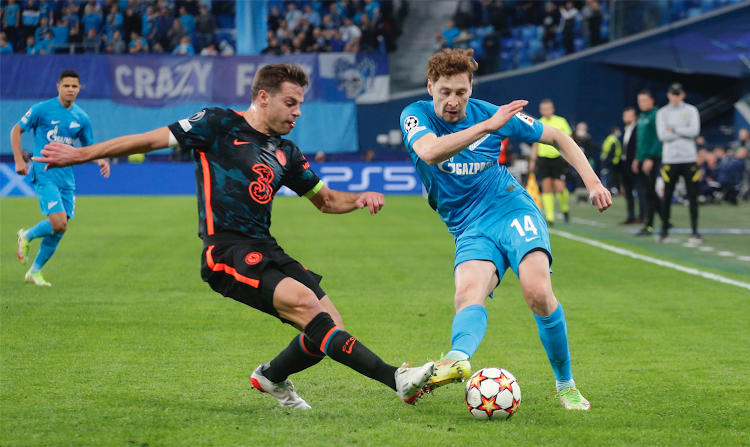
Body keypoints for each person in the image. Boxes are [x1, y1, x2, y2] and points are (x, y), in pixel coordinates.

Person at [35, 63, 435, 409]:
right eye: (290, 103)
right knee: (308, 309)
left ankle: (271, 377)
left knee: (330, 326)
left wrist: (359, 198)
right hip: (224, 249)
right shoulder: (217, 123)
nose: (298, 112)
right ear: (263, 97)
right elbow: (148, 139)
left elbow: (326, 201)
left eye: (300, 105)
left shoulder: (286, 153)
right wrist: (83, 154)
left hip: (265, 246)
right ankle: (396, 379)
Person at [399, 48, 611, 410]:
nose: (452, 101)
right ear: (430, 86)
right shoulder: (415, 116)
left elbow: (559, 137)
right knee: (467, 292)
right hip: (468, 225)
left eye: (461, 92)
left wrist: (592, 182)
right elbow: (430, 152)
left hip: (510, 207)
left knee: (538, 292)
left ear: (471, 89)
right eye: (445, 92)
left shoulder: (490, 114)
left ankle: (566, 384)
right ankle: (456, 360)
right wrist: (487, 127)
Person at [12, 70, 110, 287]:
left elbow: (89, 148)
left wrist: (101, 160)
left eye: (74, 87)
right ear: (58, 87)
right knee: (58, 221)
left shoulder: (81, 118)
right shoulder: (42, 109)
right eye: (66, 86)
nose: (70, 90)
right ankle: (26, 235)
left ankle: (34, 272)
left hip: (67, 177)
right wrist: (19, 160)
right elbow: (16, 130)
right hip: (45, 173)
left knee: (60, 228)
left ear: (79, 89)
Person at [655, 83, 703, 243]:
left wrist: (673, 129)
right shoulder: (662, 113)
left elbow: (694, 131)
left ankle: (695, 231)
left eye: (678, 94)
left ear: (682, 95)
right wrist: (683, 130)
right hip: (670, 159)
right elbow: (662, 136)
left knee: (693, 194)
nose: (675, 97)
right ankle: (664, 230)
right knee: (667, 195)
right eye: (672, 94)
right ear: (669, 95)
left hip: (689, 158)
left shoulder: (691, 110)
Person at [529, 98, 573, 225]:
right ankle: (550, 218)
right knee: (546, 187)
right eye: (544, 109)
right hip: (543, 160)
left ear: (552, 109)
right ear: (540, 110)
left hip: (558, 159)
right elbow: (535, 144)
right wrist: (533, 160)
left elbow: (568, 140)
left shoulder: (561, 121)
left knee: (560, 188)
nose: (546, 111)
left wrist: (568, 156)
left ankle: (565, 208)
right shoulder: (538, 123)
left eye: (548, 108)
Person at [632, 90, 662, 237]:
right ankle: (665, 219)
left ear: (651, 101)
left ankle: (649, 225)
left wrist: (649, 158)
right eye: (639, 101)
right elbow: (641, 140)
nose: (641, 104)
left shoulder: (656, 115)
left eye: (644, 101)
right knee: (649, 192)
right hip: (642, 158)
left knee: (650, 193)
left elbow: (657, 138)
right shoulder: (642, 116)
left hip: (653, 158)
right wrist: (638, 158)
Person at [620, 107, 644, 224]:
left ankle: (642, 217)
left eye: (628, 115)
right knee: (628, 192)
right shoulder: (625, 130)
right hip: (625, 164)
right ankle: (631, 216)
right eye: (625, 115)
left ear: (635, 117)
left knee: (640, 190)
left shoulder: (638, 128)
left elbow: (639, 145)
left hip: (634, 164)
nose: (625, 118)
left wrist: (637, 159)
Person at [600, 126, 622, 192]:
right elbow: (610, 150)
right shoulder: (612, 139)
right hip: (612, 161)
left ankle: (613, 188)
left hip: (614, 161)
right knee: (611, 175)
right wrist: (611, 159)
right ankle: (611, 188)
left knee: (613, 175)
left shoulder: (611, 139)